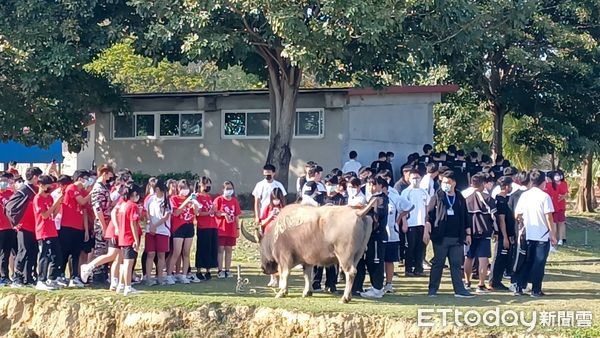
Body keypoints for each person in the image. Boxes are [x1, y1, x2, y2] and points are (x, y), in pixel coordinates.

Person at [425, 170, 474, 298]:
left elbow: (465, 216)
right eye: (443, 182)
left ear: (454, 183)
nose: (445, 184)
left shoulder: (459, 197)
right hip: (441, 237)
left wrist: (468, 234)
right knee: (438, 264)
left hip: (457, 237)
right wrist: (427, 227)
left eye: (448, 182)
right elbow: (429, 214)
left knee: (456, 264)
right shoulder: (437, 196)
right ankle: (433, 289)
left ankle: (459, 289)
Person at [514, 169, 557, 297]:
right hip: (541, 235)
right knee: (539, 263)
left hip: (528, 233)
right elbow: (549, 217)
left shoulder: (525, 195)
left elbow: (517, 214)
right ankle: (536, 290)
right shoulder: (545, 196)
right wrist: (553, 234)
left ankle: (519, 287)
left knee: (526, 261)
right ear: (543, 182)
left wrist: (522, 223)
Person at [352, 176, 389, 299]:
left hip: (378, 236)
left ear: (380, 186)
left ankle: (378, 289)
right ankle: (375, 286)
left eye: (373, 184)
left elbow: (379, 214)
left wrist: (372, 208)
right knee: (370, 261)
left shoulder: (381, 198)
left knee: (376, 261)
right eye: (369, 184)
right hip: (370, 237)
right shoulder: (371, 199)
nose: (370, 187)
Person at [59, 169, 92, 288]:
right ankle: (60, 274)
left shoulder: (82, 191)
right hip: (67, 225)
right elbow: (82, 201)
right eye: (86, 179)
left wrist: (86, 229)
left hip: (78, 226)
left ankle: (75, 276)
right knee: (65, 251)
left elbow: (84, 210)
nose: (88, 181)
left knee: (76, 252)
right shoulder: (71, 188)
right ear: (80, 179)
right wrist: (91, 192)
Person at [463, 173, 497, 293]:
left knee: (469, 257)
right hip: (484, 232)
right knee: (483, 259)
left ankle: (467, 282)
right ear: (483, 184)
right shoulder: (488, 199)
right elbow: (494, 217)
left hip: (469, 233)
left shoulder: (466, 199)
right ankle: (481, 285)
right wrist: (496, 231)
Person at [10, 167, 43, 287]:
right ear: (35, 177)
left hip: (35, 227)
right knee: (22, 252)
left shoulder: (37, 189)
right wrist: (14, 222)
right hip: (24, 227)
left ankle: (28, 277)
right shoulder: (23, 190)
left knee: (33, 252)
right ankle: (17, 278)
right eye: (39, 177)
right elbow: (10, 207)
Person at [33, 175, 64, 291]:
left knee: (56, 255)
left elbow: (53, 214)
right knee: (44, 256)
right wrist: (55, 204)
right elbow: (44, 215)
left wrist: (59, 203)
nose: (50, 188)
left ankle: (52, 278)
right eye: (48, 186)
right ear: (41, 185)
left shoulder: (49, 198)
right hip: (43, 231)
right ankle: (41, 279)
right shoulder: (38, 198)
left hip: (52, 230)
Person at [88, 164, 115, 285]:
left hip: (107, 222)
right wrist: (104, 226)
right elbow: (97, 209)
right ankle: (97, 276)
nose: (111, 176)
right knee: (100, 249)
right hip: (101, 224)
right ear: (105, 173)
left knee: (105, 250)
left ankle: (103, 275)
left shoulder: (104, 187)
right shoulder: (98, 188)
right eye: (110, 174)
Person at [383, 179, 411, 293]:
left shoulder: (394, 197)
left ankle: (389, 284)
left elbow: (409, 207)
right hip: (378, 234)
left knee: (389, 259)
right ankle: (377, 284)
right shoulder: (373, 198)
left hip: (392, 233)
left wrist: (398, 219)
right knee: (378, 260)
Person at [167, 180, 197, 284]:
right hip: (178, 227)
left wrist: (195, 203)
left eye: (187, 188)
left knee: (186, 252)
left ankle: (184, 275)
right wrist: (186, 202)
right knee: (176, 252)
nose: (185, 190)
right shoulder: (174, 198)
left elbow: (196, 212)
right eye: (183, 188)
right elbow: (176, 212)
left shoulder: (189, 199)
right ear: (179, 189)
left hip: (189, 226)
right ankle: (169, 274)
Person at [400, 169, 429, 276]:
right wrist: (404, 222)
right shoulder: (406, 192)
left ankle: (419, 268)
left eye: (417, 178)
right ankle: (408, 269)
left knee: (420, 247)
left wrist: (426, 223)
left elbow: (426, 208)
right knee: (410, 247)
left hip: (421, 223)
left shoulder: (424, 191)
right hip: (410, 223)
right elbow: (402, 209)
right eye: (413, 178)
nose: (415, 180)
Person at [143, 180, 172, 286]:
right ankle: (148, 278)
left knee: (161, 255)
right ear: (157, 189)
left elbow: (166, 217)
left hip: (163, 231)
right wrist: (150, 224)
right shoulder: (150, 199)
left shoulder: (167, 201)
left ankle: (160, 277)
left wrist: (155, 226)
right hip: (150, 230)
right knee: (150, 254)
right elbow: (147, 212)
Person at [116, 183, 142, 296]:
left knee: (124, 263)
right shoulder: (132, 206)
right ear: (135, 193)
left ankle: (121, 285)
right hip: (129, 237)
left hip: (122, 237)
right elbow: (133, 223)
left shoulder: (123, 205)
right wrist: (136, 239)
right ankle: (128, 287)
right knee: (128, 263)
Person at [490, 176, 515, 291]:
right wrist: (504, 236)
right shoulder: (500, 200)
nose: (511, 188)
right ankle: (493, 281)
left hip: (509, 233)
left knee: (505, 258)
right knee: (499, 257)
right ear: (506, 186)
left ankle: (498, 280)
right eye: (510, 185)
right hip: (502, 235)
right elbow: (501, 220)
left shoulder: (507, 199)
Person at [214, 181, 241, 278]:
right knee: (220, 250)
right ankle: (220, 270)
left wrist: (238, 228)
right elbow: (215, 212)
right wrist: (223, 214)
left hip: (231, 229)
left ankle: (227, 269)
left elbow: (237, 215)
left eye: (230, 188)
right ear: (223, 189)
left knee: (229, 250)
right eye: (227, 189)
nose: (229, 191)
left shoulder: (234, 201)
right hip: (221, 228)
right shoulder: (219, 200)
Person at [260, 188, 286, 287]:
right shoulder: (268, 208)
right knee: (270, 259)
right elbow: (262, 223)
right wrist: (270, 216)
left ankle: (281, 279)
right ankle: (272, 278)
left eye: (278, 199)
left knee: (280, 258)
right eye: (274, 199)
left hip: (280, 236)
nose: (276, 201)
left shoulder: (284, 209)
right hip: (268, 236)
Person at [194, 176, 218, 281]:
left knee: (211, 248)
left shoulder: (209, 197)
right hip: (203, 227)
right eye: (205, 184)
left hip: (212, 225)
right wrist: (208, 212)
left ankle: (208, 270)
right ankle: (199, 270)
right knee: (202, 248)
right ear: (200, 185)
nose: (207, 186)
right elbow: (198, 213)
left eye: (209, 184)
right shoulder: (196, 197)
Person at [545, 170, 568, 246]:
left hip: (559, 207)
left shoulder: (562, 184)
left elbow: (564, 193)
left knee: (559, 223)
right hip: (553, 207)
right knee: (554, 223)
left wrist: (563, 196)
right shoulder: (550, 185)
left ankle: (560, 239)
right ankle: (555, 238)